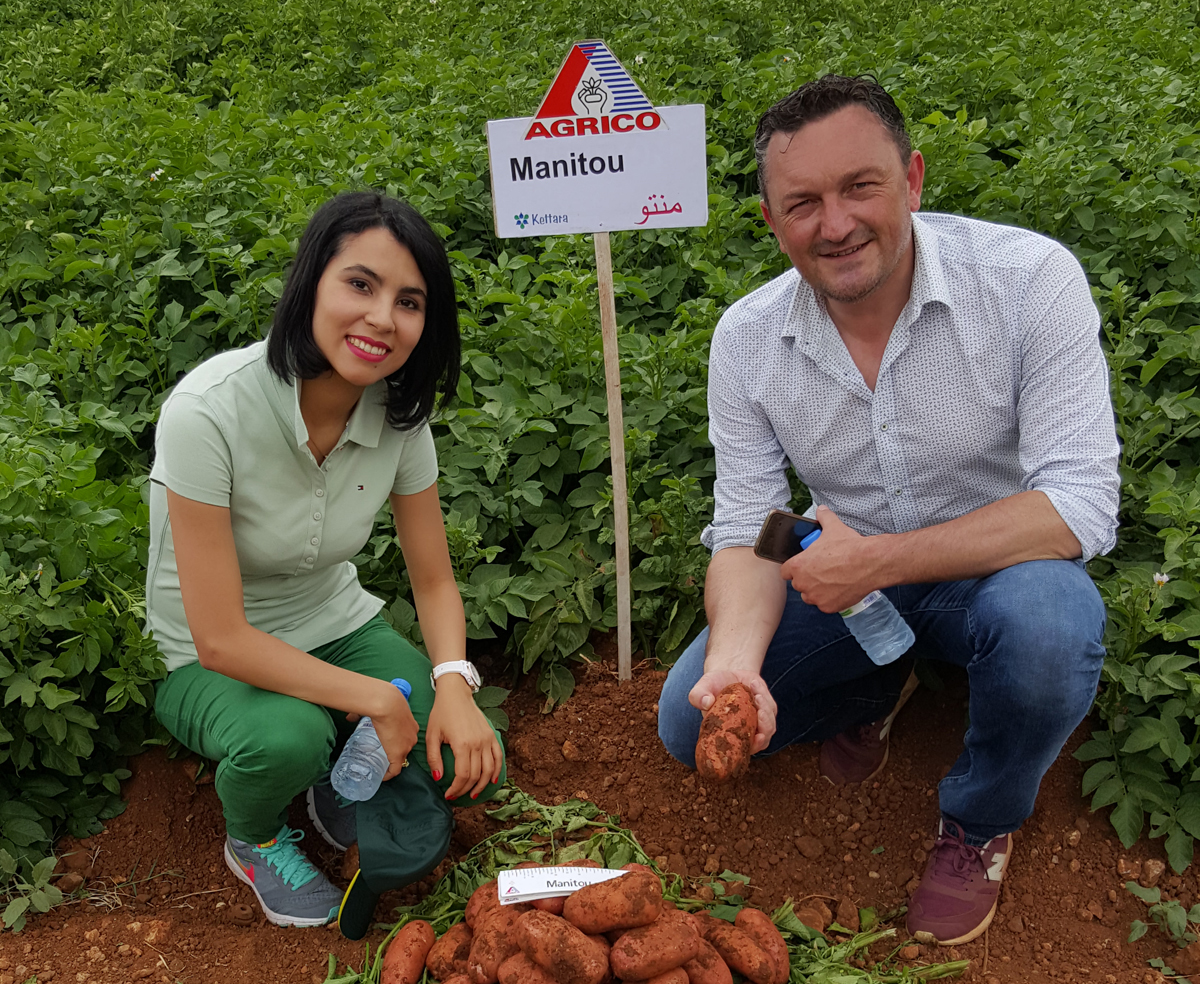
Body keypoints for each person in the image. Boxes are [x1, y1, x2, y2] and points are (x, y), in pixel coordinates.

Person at [658, 75, 1119, 945]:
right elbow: (748, 528)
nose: (834, 224)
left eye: (859, 187)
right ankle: (879, 683)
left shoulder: (1027, 281)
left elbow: (1079, 506)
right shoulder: (747, 339)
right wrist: (737, 664)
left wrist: (880, 561)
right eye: (802, 203)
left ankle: (980, 820)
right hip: (846, 579)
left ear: (910, 180)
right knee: (690, 718)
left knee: (1052, 624)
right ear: (772, 221)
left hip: (994, 570)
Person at [145, 191, 505, 928]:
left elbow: (433, 579)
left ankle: (333, 778)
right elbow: (219, 637)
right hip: (205, 654)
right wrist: (373, 698)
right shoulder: (208, 412)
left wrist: (454, 685)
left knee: (474, 760)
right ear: (312, 282)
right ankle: (255, 837)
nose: (382, 319)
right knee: (289, 737)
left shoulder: (399, 419)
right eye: (361, 284)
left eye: (409, 301)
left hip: (331, 622)